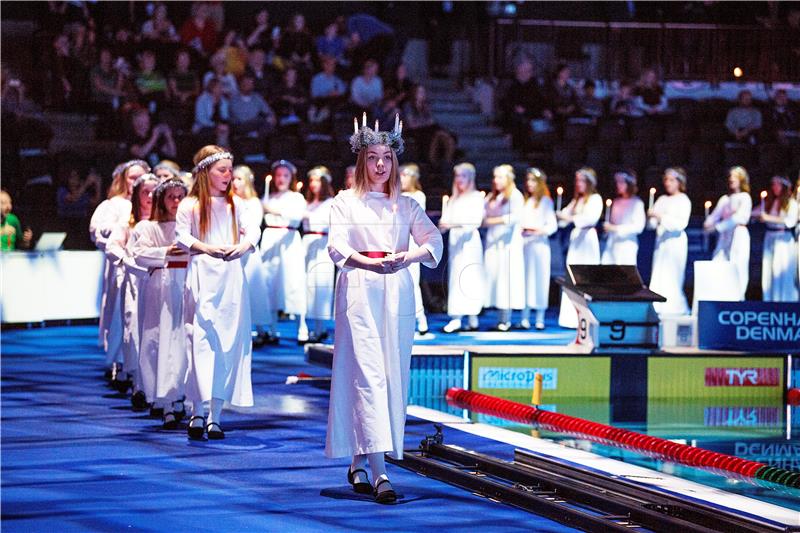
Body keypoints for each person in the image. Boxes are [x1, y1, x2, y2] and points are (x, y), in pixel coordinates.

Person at [326, 116, 442, 503]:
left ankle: (359, 461)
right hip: (360, 290)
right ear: (362, 161)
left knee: (390, 375)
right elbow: (337, 247)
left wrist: (409, 257)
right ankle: (381, 473)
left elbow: (433, 242)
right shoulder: (345, 201)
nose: (380, 165)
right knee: (368, 374)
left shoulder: (406, 205)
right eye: (373, 157)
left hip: (397, 293)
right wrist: (368, 262)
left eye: (387, 158)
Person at [176, 146, 258, 440]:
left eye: (229, 169)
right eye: (222, 170)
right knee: (199, 341)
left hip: (230, 277)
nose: (228, 175)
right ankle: (198, 410)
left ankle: (216, 416)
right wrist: (206, 248)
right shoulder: (190, 205)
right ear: (205, 172)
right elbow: (182, 235)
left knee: (227, 343)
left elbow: (252, 231)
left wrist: (243, 247)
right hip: (202, 274)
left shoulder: (238, 205)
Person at [132, 177, 190, 428]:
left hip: (187, 282)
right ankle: (164, 399)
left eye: (180, 196)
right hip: (161, 285)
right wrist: (165, 253)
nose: (176, 201)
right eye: (171, 196)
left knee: (183, 340)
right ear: (161, 199)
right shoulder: (148, 228)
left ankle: (180, 396)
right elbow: (139, 254)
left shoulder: (190, 226)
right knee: (159, 339)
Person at [105, 172, 159, 409]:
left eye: (153, 192)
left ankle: (159, 388)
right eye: (144, 192)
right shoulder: (128, 220)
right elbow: (112, 247)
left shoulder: (165, 220)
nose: (148, 197)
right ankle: (138, 383)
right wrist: (127, 260)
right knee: (133, 329)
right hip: (136, 281)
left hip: (160, 281)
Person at [90, 161, 148, 369]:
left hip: (146, 266)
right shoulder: (113, 205)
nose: (137, 181)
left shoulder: (150, 203)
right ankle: (117, 360)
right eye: (132, 177)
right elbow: (97, 232)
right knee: (119, 312)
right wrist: (121, 238)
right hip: (121, 266)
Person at [260, 160, 307, 343]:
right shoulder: (268, 197)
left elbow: (296, 216)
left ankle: (301, 327)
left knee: (294, 282)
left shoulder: (296, 198)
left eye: (285, 175)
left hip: (289, 240)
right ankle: (272, 328)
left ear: (291, 178)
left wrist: (273, 210)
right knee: (269, 281)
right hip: (271, 237)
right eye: (278, 175)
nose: (281, 179)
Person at [439, 163, 485, 333]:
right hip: (456, 243)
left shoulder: (476, 197)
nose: (459, 180)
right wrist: (443, 226)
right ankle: (456, 317)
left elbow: (475, 221)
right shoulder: (453, 199)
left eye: (463, 176)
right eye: (457, 176)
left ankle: (472, 316)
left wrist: (452, 224)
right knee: (456, 277)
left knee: (470, 276)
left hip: (470, 243)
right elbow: (446, 220)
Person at [556, 167, 602, 328]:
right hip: (576, 241)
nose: (578, 184)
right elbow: (564, 218)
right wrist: (561, 216)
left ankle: (587, 315)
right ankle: (570, 317)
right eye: (577, 181)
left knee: (587, 277)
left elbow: (589, 219)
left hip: (587, 239)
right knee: (572, 277)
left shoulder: (595, 199)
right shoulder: (576, 200)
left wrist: (569, 217)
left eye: (582, 181)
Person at [231, 165, 271, 346]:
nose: (235, 182)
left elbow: (252, 226)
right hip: (234, 250)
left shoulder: (253, 202)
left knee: (253, 290)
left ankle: (261, 329)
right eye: (233, 179)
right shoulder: (229, 201)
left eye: (239, 179)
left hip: (248, 251)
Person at [483, 164, 525, 331]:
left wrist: (493, 221)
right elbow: (482, 213)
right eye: (495, 177)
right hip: (494, 243)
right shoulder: (493, 197)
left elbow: (515, 217)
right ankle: (500, 317)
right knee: (496, 278)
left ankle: (506, 318)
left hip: (508, 244)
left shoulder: (515, 195)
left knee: (506, 279)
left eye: (500, 177)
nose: (496, 180)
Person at [298, 166, 336, 344]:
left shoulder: (331, 203)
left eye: (317, 180)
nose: (313, 184)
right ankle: (305, 327)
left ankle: (320, 328)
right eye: (311, 180)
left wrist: (307, 216)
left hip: (322, 245)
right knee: (305, 285)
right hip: (306, 244)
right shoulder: (306, 202)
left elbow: (329, 224)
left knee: (321, 285)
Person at [704, 166, 753, 300]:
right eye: (730, 176)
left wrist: (718, 226)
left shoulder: (745, 197)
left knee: (738, 265)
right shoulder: (725, 198)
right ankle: (720, 296)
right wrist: (709, 222)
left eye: (735, 177)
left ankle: (737, 298)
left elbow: (739, 217)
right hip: (725, 236)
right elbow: (715, 215)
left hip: (738, 235)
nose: (731, 179)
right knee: (718, 262)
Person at [647, 168, 692, 316]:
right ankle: (658, 307)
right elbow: (652, 225)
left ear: (679, 182)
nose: (667, 183)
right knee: (659, 274)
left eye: (671, 180)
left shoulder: (684, 200)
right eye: (666, 180)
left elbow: (680, 224)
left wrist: (659, 216)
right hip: (662, 243)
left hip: (675, 243)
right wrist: (651, 217)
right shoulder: (662, 200)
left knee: (672, 276)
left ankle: (675, 308)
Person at [520, 168, 557, 330]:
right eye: (528, 180)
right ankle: (524, 317)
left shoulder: (546, 202)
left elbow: (552, 226)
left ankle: (539, 317)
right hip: (525, 246)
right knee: (525, 280)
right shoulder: (525, 202)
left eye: (533, 180)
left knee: (540, 280)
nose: (530, 184)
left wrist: (536, 230)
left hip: (539, 246)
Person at [754, 175, 799, 301]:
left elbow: (790, 221)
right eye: (773, 184)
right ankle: (770, 299)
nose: (774, 187)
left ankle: (785, 300)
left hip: (783, 239)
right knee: (769, 270)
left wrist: (768, 218)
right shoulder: (770, 202)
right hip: (770, 238)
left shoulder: (791, 203)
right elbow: (756, 212)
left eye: (777, 184)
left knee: (781, 270)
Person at [400, 164, 429, 335]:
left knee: (412, 282)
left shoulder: (418, 196)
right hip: (395, 242)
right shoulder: (394, 196)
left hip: (411, 243)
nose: (401, 179)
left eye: (404, 176)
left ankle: (420, 319)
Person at [402, 85, 456, 167]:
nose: (422, 94)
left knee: (446, 136)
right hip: (416, 131)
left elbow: (431, 120)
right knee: (435, 135)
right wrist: (426, 122)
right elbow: (411, 124)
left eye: (423, 92)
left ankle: (447, 162)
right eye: (420, 92)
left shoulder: (425, 106)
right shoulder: (408, 105)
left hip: (429, 128)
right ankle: (433, 162)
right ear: (414, 93)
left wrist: (426, 121)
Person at [601, 171, 646, 266]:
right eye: (617, 182)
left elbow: (638, 227)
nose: (618, 185)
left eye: (621, 182)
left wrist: (615, 228)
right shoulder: (616, 202)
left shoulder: (637, 203)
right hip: (613, 243)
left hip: (627, 245)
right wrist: (607, 229)